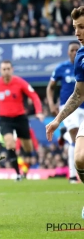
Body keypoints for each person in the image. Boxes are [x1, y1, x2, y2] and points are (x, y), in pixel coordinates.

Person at [46, 6, 84, 219]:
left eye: (82, 27)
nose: (77, 33)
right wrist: (57, 120)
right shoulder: (81, 56)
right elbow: (79, 95)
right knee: (80, 158)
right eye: (75, 28)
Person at [0, 60, 44, 181]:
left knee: (28, 148)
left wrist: (39, 111)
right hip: (5, 119)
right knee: (10, 143)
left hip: (20, 118)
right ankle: (17, 174)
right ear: (0, 71)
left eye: (8, 69)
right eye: (4, 69)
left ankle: (25, 170)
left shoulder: (20, 82)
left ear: (12, 69)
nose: (6, 71)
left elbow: (34, 96)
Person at [46, 41, 81, 184]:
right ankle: (73, 175)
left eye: (76, 50)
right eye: (72, 50)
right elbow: (50, 88)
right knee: (75, 135)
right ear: (68, 52)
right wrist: (51, 104)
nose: (74, 52)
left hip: (83, 107)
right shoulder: (61, 68)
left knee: (80, 140)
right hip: (68, 108)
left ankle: (64, 133)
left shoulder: (82, 65)